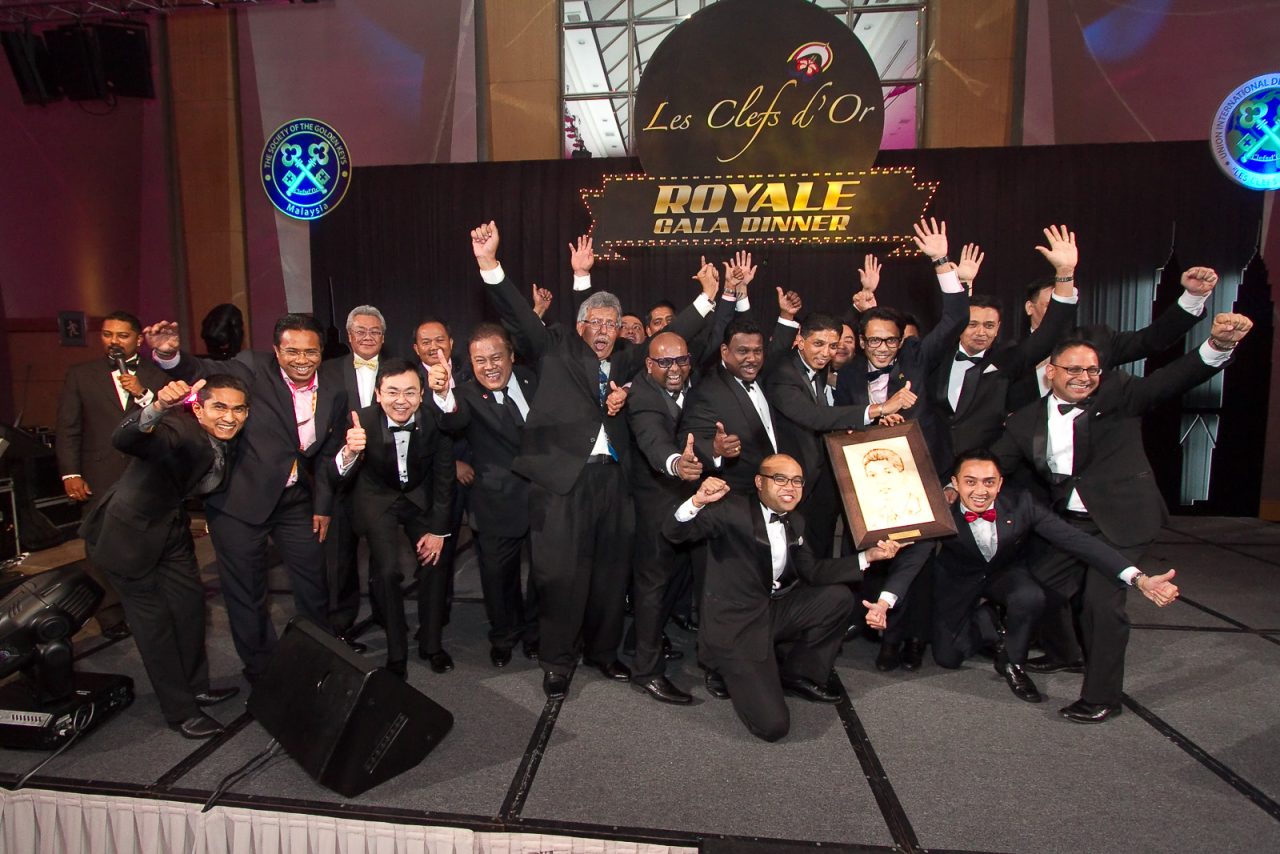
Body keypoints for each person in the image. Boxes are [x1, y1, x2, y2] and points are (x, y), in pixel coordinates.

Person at [472, 220, 713, 700]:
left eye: (612, 324)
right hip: (563, 485)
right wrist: (490, 264)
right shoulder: (554, 347)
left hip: (615, 485)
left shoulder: (627, 361)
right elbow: (517, 315)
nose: (604, 331)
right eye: (595, 323)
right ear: (580, 326)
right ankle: (557, 661)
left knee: (610, 574)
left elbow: (671, 338)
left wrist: (706, 299)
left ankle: (603, 652)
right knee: (561, 578)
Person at [991, 309, 1253, 722]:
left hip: (1124, 520)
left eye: (1092, 369)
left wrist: (1218, 345)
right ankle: (1065, 652)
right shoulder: (1025, 421)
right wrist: (950, 488)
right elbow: (993, 466)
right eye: (1074, 369)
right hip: (1071, 523)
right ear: (1050, 372)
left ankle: (1102, 697)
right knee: (1038, 587)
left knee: (1100, 604)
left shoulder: (1121, 393)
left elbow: (1174, 378)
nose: (1084, 377)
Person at [143, 313, 348, 682]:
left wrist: (323, 504)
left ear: (321, 352)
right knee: (247, 594)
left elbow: (327, 452)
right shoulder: (252, 367)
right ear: (276, 350)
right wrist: (171, 356)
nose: (302, 360)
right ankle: (263, 671)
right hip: (239, 502)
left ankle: (319, 660)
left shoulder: (333, 388)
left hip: (295, 500)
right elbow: (204, 370)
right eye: (292, 351)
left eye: (311, 352)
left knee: (314, 585)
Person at [890, 450, 1176, 704]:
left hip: (1004, 572)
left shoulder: (1022, 503)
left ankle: (1013, 662)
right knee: (948, 658)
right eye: (970, 481)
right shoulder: (939, 509)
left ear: (1000, 483)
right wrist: (886, 600)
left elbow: (1077, 541)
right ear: (955, 482)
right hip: (958, 578)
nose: (980, 491)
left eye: (989, 482)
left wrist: (1138, 579)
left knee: (1030, 596)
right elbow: (915, 558)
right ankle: (988, 621)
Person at [662, 455, 905, 741]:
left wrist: (868, 556)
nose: (790, 487)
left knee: (837, 598)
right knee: (773, 726)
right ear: (759, 482)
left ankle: (798, 675)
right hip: (736, 626)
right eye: (780, 478)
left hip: (770, 610)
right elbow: (675, 532)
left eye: (797, 481)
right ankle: (721, 665)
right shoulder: (730, 510)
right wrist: (697, 501)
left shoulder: (795, 520)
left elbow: (812, 571)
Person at [832, 219, 969, 672]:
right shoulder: (849, 374)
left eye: (890, 340)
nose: (882, 348)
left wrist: (941, 261)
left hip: (920, 475)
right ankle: (884, 635)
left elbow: (956, 319)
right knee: (882, 558)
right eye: (874, 340)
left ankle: (911, 639)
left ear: (901, 339)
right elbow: (842, 425)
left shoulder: (917, 357)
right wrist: (875, 420)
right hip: (873, 480)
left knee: (919, 557)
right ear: (861, 341)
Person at [80, 376, 248, 738]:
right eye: (220, 407)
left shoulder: (225, 438)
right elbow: (126, 439)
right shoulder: (179, 429)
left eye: (238, 409)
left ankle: (197, 687)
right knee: (155, 626)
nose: (229, 417)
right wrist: (156, 408)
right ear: (198, 408)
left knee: (190, 608)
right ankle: (180, 711)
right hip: (126, 537)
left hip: (170, 530)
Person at [335, 359, 455, 679]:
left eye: (410, 392)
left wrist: (438, 531)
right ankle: (396, 651)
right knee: (387, 571)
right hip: (378, 499)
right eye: (392, 392)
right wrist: (349, 453)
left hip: (418, 497)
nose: (401, 400)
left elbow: (444, 478)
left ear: (421, 395)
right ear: (378, 394)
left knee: (435, 562)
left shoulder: (435, 420)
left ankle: (431, 644)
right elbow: (336, 473)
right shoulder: (360, 420)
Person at [925, 228, 1079, 477]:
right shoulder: (937, 357)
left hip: (985, 473)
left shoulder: (1007, 360)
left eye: (989, 326)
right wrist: (961, 282)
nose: (981, 332)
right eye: (973, 325)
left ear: (998, 329)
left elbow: (1049, 334)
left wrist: (1065, 273)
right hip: (932, 468)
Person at [57, 309, 170, 640]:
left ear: (138, 339)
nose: (113, 341)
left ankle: (146, 607)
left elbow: (171, 424)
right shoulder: (81, 375)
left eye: (122, 335)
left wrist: (143, 394)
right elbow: (68, 428)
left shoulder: (157, 376)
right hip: (99, 473)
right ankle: (110, 615)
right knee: (100, 546)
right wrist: (70, 473)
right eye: (107, 335)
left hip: (146, 474)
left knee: (147, 543)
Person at [435, 324, 540, 667]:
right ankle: (504, 636)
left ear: (512, 356)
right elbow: (451, 420)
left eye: (496, 357)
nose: (489, 366)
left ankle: (535, 633)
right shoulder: (464, 395)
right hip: (495, 503)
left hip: (544, 498)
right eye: (480, 360)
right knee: (497, 579)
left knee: (544, 575)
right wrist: (443, 395)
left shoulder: (532, 380)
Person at [1007, 265, 1220, 410]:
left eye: (1066, 305)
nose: (1059, 313)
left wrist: (1193, 297)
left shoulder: (1097, 339)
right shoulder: (1008, 354)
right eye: (1052, 306)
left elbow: (1151, 340)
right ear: (1029, 307)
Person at [625, 331, 703, 704]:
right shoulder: (641, 396)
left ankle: (640, 639)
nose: (675, 369)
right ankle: (646, 672)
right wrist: (676, 464)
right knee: (652, 587)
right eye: (665, 362)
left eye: (682, 360)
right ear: (648, 364)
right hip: (655, 505)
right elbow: (653, 440)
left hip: (690, 503)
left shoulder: (695, 385)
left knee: (679, 575)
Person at [765, 312, 871, 559]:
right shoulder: (782, 373)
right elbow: (813, 416)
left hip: (816, 476)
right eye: (819, 344)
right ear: (800, 341)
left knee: (817, 548)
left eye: (833, 346)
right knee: (789, 552)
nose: (826, 353)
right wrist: (875, 410)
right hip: (789, 478)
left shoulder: (818, 368)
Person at [319, 305, 389, 649]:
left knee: (384, 556)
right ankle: (340, 626)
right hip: (341, 476)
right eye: (360, 331)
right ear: (348, 336)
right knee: (340, 558)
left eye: (375, 331)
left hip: (382, 479)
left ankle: (386, 615)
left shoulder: (397, 369)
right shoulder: (327, 371)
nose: (367, 337)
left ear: (384, 337)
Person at [413, 318, 473, 672]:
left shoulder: (470, 374)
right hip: (429, 487)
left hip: (475, 478)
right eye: (425, 341)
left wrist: (467, 463)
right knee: (434, 560)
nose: (433, 346)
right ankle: (430, 632)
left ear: (451, 342)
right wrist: (453, 466)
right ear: (415, 348)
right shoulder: (408, 381)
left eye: (440, 339)